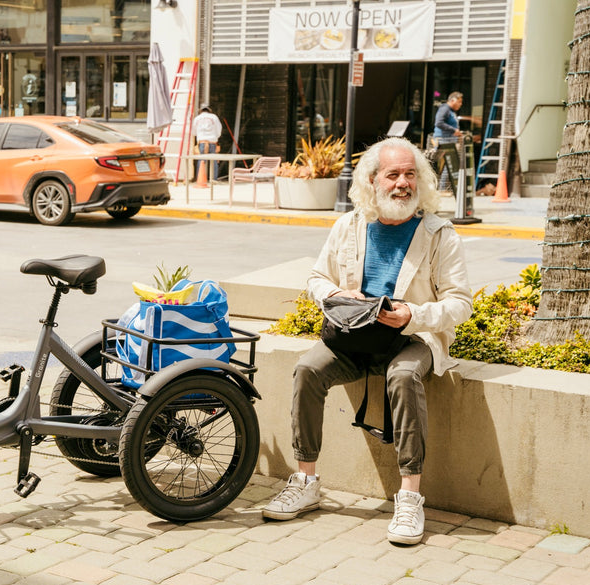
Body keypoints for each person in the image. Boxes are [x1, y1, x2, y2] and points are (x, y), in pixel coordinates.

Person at [261, 137, 473, 545]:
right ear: (372, 180)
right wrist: (340, 296)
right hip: (353, 335)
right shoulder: (350, 225)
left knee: (404, 377)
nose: (402, 183)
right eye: (393, 174)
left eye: (411, 174)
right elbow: (317, 279)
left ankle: (409, 498)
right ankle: (306, 481)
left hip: (412, 337)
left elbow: (460, 303)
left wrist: (413, 314)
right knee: (307, 369)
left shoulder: (439, 234)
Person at [432, 92, 464, 193]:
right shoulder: (444, 109)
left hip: (449, 140)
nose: (460, 104)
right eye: (459, 102)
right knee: (446, 164)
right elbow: (439, 122)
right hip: (444, 140)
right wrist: (454, 130)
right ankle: (441, 188)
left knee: (448, 165)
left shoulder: (450, 111)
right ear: (452, 100)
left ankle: (443, 188)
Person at [192, 104, 222, 182]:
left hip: (202, 142)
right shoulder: (214, 117)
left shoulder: (197, 118)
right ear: (209, 110)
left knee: (201, 160)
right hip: (212, 142)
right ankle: (214, 179)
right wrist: (216, 137)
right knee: (214, 160)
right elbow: (219, 129)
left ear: (201, 110)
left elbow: (194, 132)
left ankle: (200, 179)